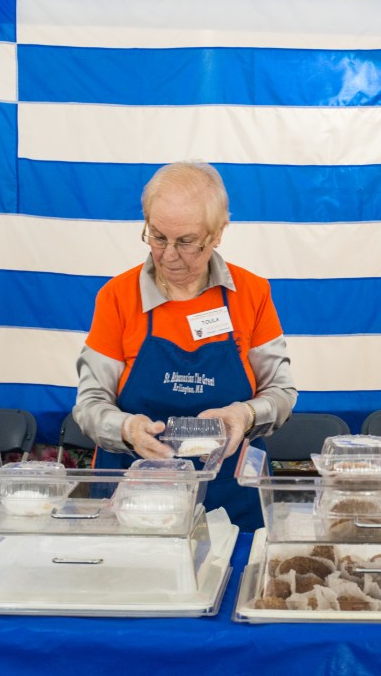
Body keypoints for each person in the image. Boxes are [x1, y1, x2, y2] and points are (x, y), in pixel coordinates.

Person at [73, 160, 297, 531]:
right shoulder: (116, 296)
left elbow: (281, 391)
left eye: (187, 242)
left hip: (230, 494)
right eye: (158, 237)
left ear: (218, 233)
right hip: (134, 496)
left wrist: (245, 415)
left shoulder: (252, 294)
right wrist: (127, 430)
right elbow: (90, 404)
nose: (169, 255)